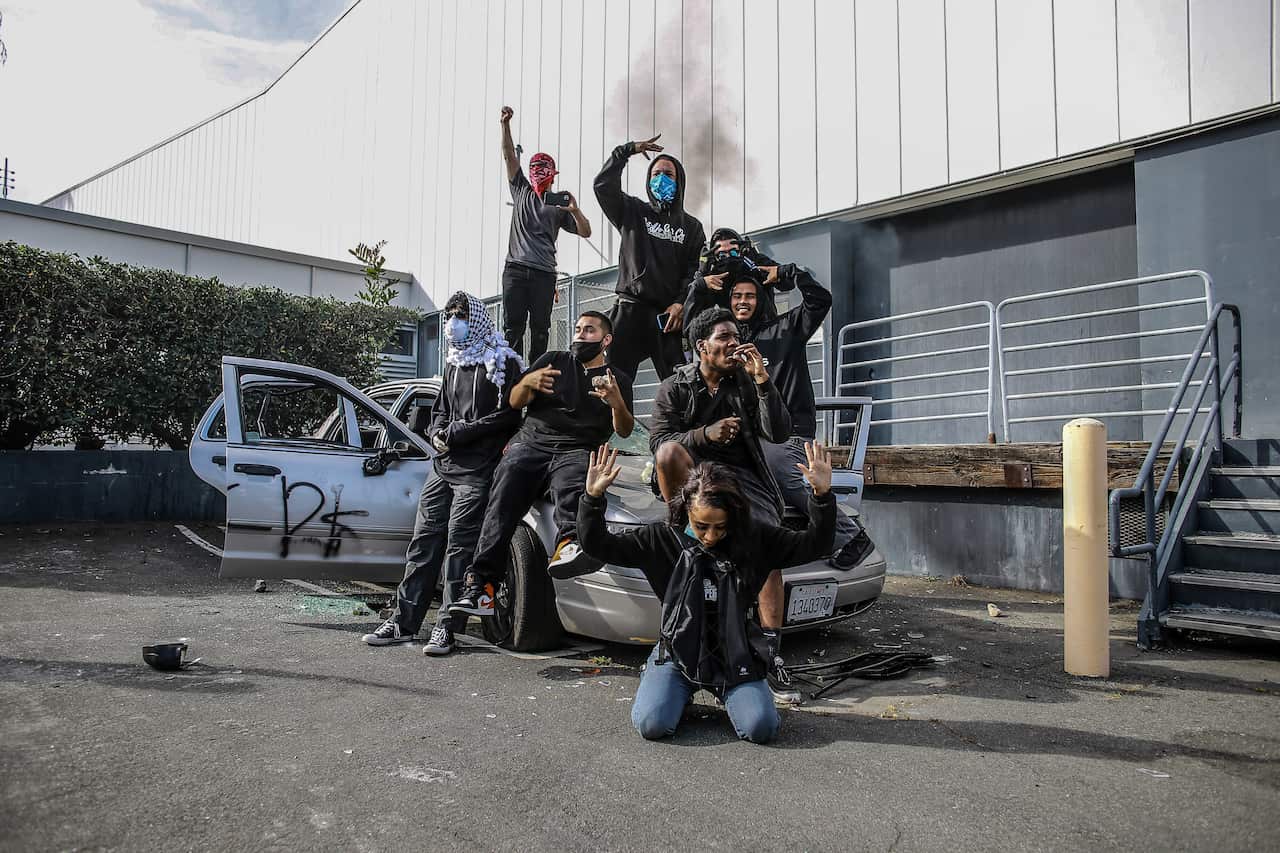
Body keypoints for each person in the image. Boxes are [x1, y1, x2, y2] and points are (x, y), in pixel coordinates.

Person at [577, 443, 836, 743]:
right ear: (686, 509)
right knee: (652, 724)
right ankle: (669, 685)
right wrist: (592, 498)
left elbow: (814, 545)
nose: (711, 536)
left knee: (761, 727)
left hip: (734, 654)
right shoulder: (660, 539)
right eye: (701, 527)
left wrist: (822, 497)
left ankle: (736, 693)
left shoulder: (755, 538)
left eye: (720, 527)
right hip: (678, 651)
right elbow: (599, 546)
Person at [648, 306, 800, 701]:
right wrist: (705, 435)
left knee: (766, 551)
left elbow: (780, 432)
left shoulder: (746, 382)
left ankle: (770, 656)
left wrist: (764, 382)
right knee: (668, 454)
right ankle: (688, 536)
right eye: (724, 338)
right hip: (696, 481)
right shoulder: (674, 387)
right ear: (702, 347)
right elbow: (658, 444)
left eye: (737, 336)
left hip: (745, 480)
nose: (734, 343)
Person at [361, 292, 523, 655]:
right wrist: (436, 432)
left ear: (476, 318)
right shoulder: (454, 362)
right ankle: (404, 622)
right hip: (443, 466)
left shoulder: (503, 362)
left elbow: (509, 416)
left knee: (459, 550)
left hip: (476, 472)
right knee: (423, 544)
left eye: (460, 315)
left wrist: (458, 433)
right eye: (450, 315)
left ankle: (448, 627)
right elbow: (440, 409)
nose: (453, 321)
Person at [449, 311, 635, 618]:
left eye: (588, 330)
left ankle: (570, 545)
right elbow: (514, 402)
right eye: (577, 329)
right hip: (532, 443)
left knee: (574, 484)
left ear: (606, 340)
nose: (579, 335)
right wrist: (529, 382)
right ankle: (481, 587)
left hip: (577, 449)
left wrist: (616, 402)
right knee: (502, 499)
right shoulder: (553, 360)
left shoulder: (619, 379)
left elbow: (625, 430)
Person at [697, 260, 871, 570]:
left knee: (783, 472)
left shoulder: (786, 329)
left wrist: (788, 273)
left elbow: (821, 300)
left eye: (750, 296)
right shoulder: (728, 345)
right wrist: (700, 283)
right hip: (755, 435)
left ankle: (852, 536)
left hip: (789, 430)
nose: (742, 301)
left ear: (761, 299)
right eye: (736, 296)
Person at [593, 133, 705, 381]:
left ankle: (679, 421)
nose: (661, 179)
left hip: (668, 317)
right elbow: (602, 186)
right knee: (615, 381)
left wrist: (680, 303)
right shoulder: (632, 211)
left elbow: (694, 272)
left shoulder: (692, 227)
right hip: (630, 309)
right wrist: (625, 151)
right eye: (656, 174)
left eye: (668, 174)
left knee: (679, 383)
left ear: (679, 182)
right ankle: (617, 421)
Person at [499, 105, 592, 361]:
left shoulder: (559, 205)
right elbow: (509, 156)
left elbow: (586, 232)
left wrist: (574, 210)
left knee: (541, 329)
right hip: (516, 268)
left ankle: (536, 372)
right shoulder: (522, 190)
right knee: (513, 327)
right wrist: (505, 125)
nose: (540, 175)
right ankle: (512, 376)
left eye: (544, 170)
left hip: (543, 273)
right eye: (536, 169)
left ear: (552, 175)